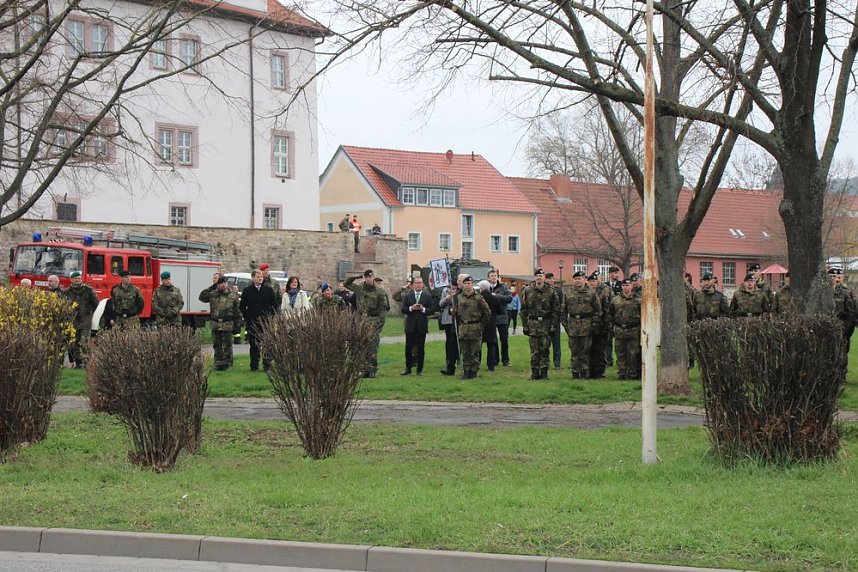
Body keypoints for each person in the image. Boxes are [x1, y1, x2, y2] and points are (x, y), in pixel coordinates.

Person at [345, 269, 390, 378]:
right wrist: (356, 276)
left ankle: (372, 369)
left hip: (373, 321)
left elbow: (384, 309)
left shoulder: (379, 291)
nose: (368, 279)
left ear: (373, 277)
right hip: (361, 321)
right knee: (362, 346)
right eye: (366, 277)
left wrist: (379, 323)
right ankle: (364, 369)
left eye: (370, 277)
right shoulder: (360, 288)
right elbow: (347, 284)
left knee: (372, 347)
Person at [520, 267, 560, 380]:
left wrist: (553, 325)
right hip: (533, 324)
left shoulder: (551, 291)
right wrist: (525, 325)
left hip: (546, 324)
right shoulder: (528, 290)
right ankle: (534, 372)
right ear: (534, 277)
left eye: (541, 276)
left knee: (545, 349)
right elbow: (523, 310)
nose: (539, 278)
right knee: (534, 350)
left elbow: (556, 310)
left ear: (544, 278)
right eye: (537, 276)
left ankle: (544, 372)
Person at [562, 271, 602, 379]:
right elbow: (563, 310)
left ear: (584, 279)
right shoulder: (568, 292)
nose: (577, 281)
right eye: (575, 279)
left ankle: (584, 372)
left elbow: (598, 310)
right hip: (573, 324)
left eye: (579, 278)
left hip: (586, 324)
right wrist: (565, 324)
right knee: (574, 351)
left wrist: (594, 324)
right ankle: (575, 372)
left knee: (585, 351)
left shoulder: (591, 293)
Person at [454, 275, 491, 380]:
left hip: (475, 326)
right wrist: (453, 312)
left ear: (472, 284)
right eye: (465, 283)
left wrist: (481, 325)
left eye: (469, 283)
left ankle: (473, 371)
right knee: (465, 351)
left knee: (474, 351)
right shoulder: (459, 297)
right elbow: (456, 312)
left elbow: (487, 312)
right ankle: (466, 371)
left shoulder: (478, 297)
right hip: (463, 327)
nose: (467, 285)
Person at [200, 276, 241, 370]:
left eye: (225, 283)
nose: (223, 285)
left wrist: (237, 325)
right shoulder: (213, 294)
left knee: (227, 345)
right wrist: (212, 287)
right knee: (217, 344)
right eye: (221, 283)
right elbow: (201, 297)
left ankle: (227, 363)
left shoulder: (233, 295)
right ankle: (218, 363)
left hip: (227, 323)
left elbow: (237, 312)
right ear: (218, 284)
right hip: (216, 323)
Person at [240, 269, 278, 371]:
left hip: (266, 322)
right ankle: (254, 365)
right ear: (253, 278)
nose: (260, 278)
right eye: (258, 276)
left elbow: (274, 305)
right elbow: (242, 306)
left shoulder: (268, 290)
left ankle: (267, 365)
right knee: (254, 345)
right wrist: (248, 316)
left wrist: (270, 315)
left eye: (261, 276)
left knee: (267, 344)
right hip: (253, 322)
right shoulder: (247, 290)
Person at [400, 276, 436, 375]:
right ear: (413, 285)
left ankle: (420, 369)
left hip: (421, 325)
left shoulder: (427, 296)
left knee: (421, 347)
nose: (419, 285)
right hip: (410, 325)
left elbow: (432, 309)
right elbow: (403, 309)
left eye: (420, 283)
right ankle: (408, 367)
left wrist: (423, 309)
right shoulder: (408, 296)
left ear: (423, 284)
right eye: (417, 283)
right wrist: (411, 308)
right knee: (408, 347)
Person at [63, 270, 99, 368]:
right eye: (75, 278)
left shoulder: (88, 290)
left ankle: (86, 363)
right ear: (71, 280)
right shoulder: (67, 292)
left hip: (85, 320)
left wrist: (92, 315)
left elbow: (96, 304)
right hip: (73, 321)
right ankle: (79, 363)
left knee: (84, 342)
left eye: (79, 278)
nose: (78, 280)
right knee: (74, 344)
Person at [611, 279, 641, 380]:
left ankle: (632, 373)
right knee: (620, 353)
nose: (625, 287)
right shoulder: (615, 300)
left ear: (631, 286)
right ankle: (622, 373)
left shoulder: (638, 300)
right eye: (623, 285)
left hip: (633, 330)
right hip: (620, 329)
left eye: (627, 285)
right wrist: (612, 328)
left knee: (633, 353)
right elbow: (610, 315)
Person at [586, 271, 612, 379]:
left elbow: (610, 307)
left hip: (602, 324)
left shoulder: (606, 290)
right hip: (588, 323)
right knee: (589, 348)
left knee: (600, 349)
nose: (592, 283)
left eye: (594, 280)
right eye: (590, 281)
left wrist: (607, 323)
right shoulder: (586, 291)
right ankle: (590, 370)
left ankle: (600, 371)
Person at [830, 267, 857, 369]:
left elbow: (852, 314)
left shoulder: (846, 292)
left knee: (842, 354)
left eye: (837, 276)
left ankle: (841, 373)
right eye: (832, 276)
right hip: (828, 329)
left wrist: (846, 331)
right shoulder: (823, 292)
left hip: (842, 328)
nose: (835, 279)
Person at [487, 269, 513, 366]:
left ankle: (505, 360)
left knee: (504, 339)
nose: (494, 277)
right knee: (493, 340)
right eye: (492, 275)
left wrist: (497, 296)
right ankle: (495, 359)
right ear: (488, 278)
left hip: (502, 316)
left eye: (495, 275)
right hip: (491, 317)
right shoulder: (487, 288)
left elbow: (509, 298)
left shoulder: (503, 287)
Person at [438, 281, 460, 376]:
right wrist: (447, 298)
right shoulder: (445, 291)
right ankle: (449, 359)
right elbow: (440, 304)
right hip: (448, 319)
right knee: (449, 340)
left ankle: (458, 358)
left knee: (457, 340)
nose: (453, 288)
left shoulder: (460, 292)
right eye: (452, 287)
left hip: (457, 319)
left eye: (455, 287)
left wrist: (455, 296)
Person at [478, 279, 500, 371]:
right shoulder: (494, 298)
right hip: (491, 324)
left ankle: (477, 363)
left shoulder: (478, 298)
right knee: (491, 345)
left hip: (480, 323)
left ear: (481, 288)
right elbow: (500, 311)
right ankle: (491, 365)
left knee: (478, 346)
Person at [545, 271, 564, 368]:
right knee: (545, 343)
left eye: (553, 278)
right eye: (549, 279)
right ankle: (545, 361)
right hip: (545, 320)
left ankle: (557, 362)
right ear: (545, 279)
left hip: (555, 320)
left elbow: (561, 305)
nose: (552, 280)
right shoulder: (542, 290)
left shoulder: (558, 291)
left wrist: (559, 318)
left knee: (556, 342)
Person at [605, 266, 623, 367]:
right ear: (610, 274)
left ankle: (620, 361)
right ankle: (608, 360)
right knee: (608, 341)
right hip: (609, 315)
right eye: (615, 273)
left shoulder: (622, 285)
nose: (617, 275)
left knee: (620, 341)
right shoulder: (605, 285)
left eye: (617, 273)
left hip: (619, 315)